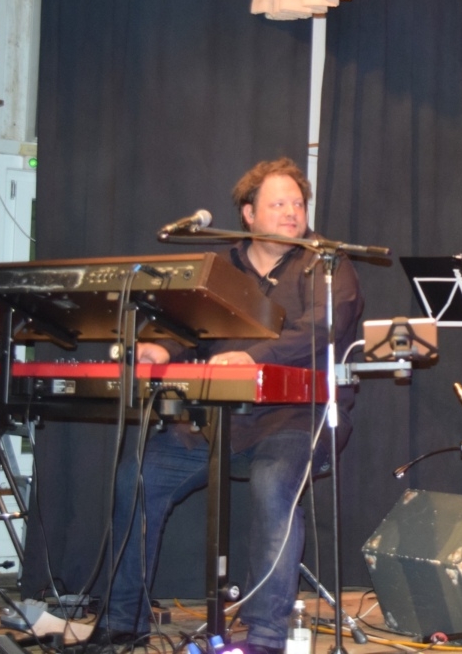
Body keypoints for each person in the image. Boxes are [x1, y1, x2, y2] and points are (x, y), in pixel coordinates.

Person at [92, 158, 364, 654]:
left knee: (273, 484)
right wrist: (161, 350)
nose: (292, 213)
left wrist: (253, 357)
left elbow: (323, 328)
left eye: (298, 204)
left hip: (296, 417)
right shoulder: (217, 269)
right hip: (216, 420)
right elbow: (188, 330)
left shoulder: (327, 264)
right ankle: (122, 620)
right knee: (138, 477)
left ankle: (265, 636)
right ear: (248, 214)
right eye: (278, 204)